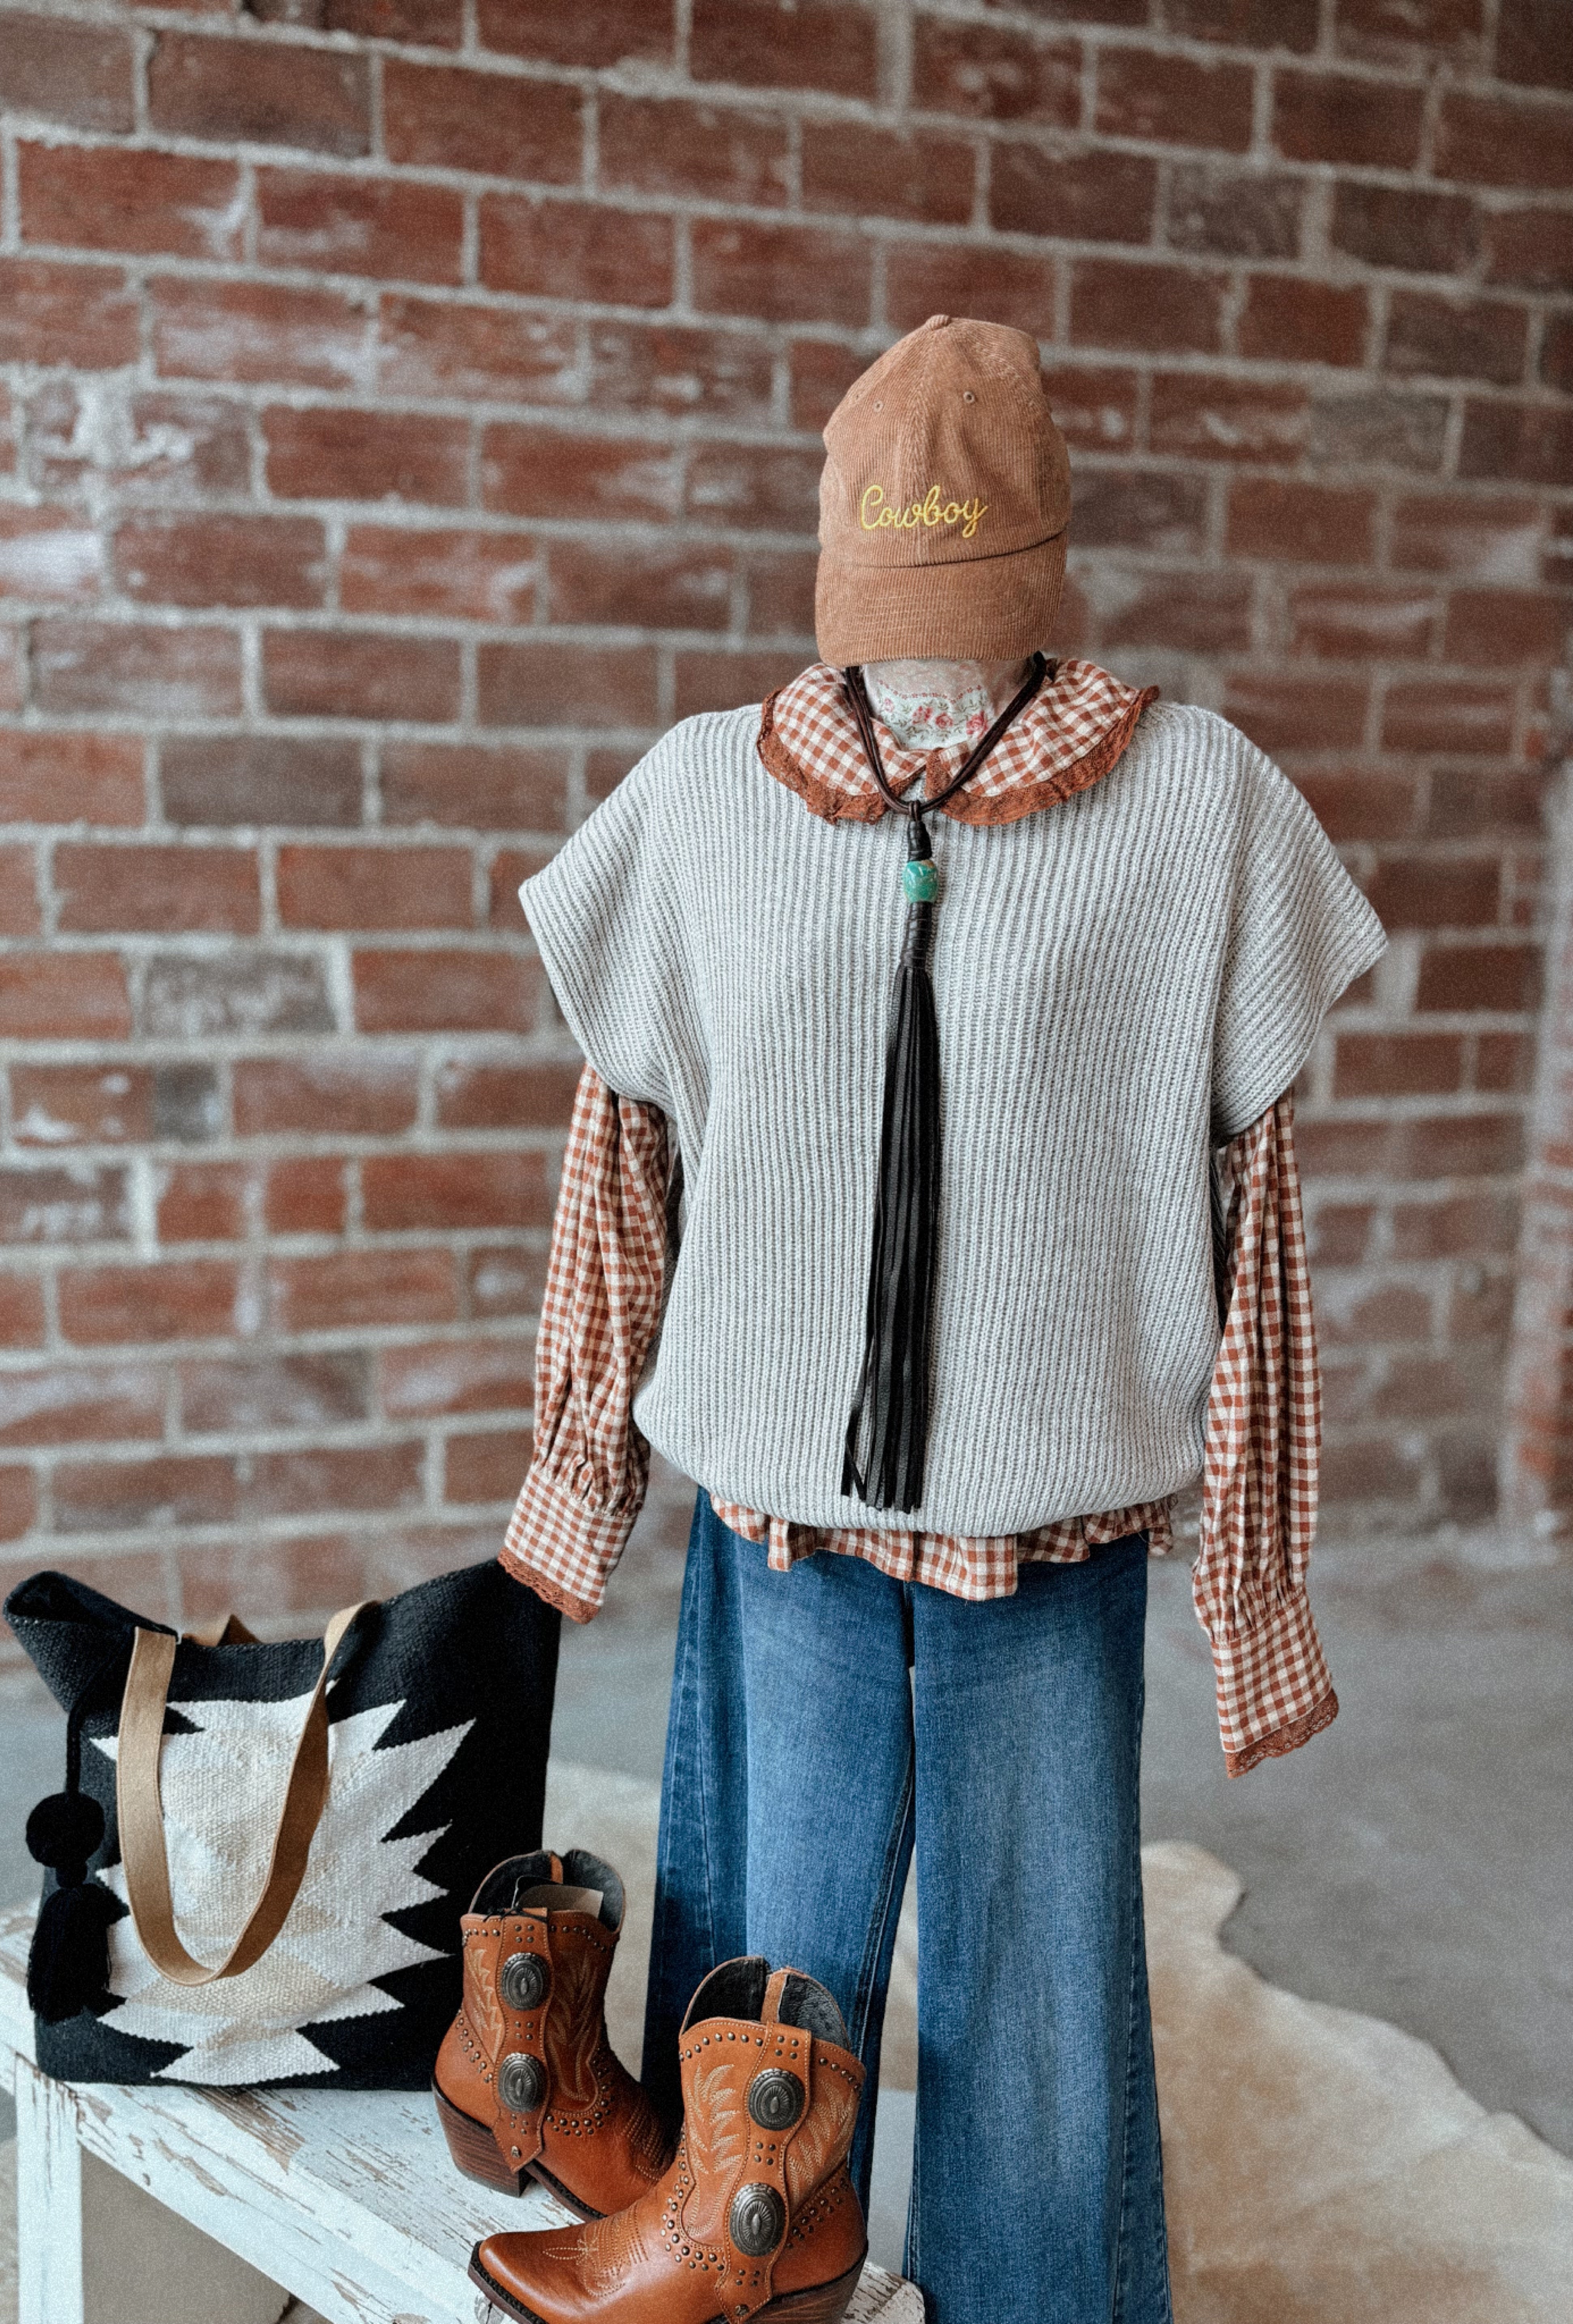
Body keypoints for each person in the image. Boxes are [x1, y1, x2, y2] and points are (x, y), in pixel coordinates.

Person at [496, 314, 1386, 2324]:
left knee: (1040, 2038)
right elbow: (614, 1175)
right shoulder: (702, 800)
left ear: (1043, 580)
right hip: (778, 1537)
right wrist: (579, 1480)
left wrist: (1251, 1598)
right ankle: (748, 2266)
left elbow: (1260, 1237)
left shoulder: (1201, 810)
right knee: (764, 2019)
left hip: (1048, 1547)